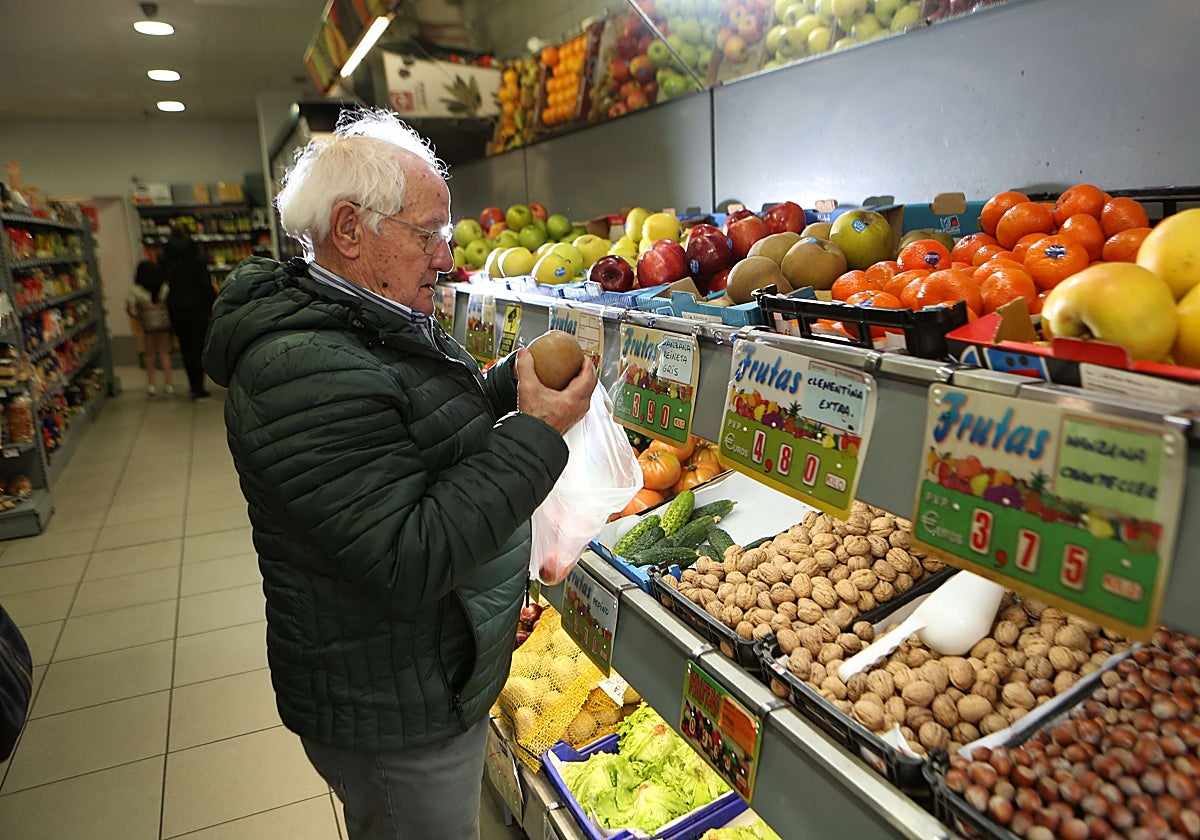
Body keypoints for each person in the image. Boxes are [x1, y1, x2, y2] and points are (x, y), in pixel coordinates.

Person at [202, 109, 596, 840]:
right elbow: (407, 554)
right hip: (393, 706)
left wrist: (507, 385)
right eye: (428, 234)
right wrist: (537, 434)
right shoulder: (302, 369)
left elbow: (413, 433)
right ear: (350, 230)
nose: (445, 257)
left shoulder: (358, 318)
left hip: (418, 670)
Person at [160, 223, 215, 399]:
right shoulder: (195, 254)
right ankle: (199, 385)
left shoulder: (166, 255)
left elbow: (161, 279)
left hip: (176, 305)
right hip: (196, 305)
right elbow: (204, 281)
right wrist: (214, 301)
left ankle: (192, 384)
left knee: (185, 346)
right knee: (198, 345)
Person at [125, 259, 175, 396]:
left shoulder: (136, 290)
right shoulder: (164, 287)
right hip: (163, 321)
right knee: (164, 353)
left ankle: (151, 384)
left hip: (148, 323)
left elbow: (131, 309)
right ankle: (169, 384)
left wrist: (139, 315)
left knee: (150, 354)